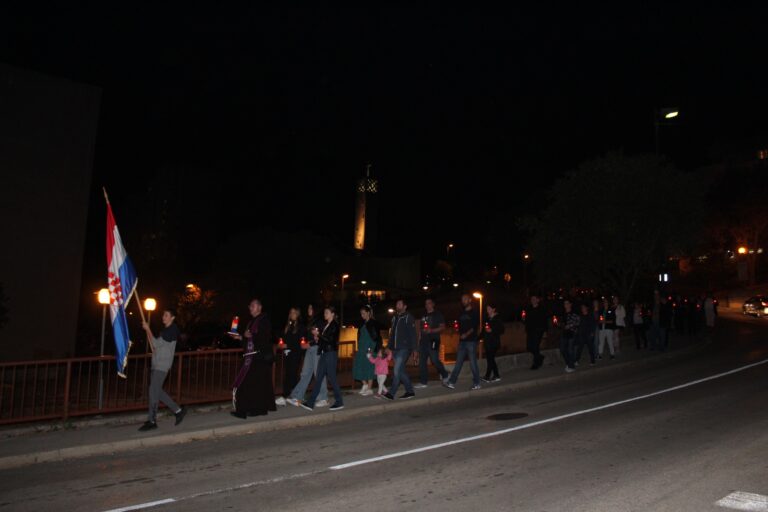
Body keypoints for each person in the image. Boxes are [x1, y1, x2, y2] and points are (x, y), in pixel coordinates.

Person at [138, 309, 186, 431]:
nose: (163, 317)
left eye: (166, 315)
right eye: (163, 315)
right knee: (156, 391)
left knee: (153, 391)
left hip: (162, 365)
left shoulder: (172, 330)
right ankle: (178, 411)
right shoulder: (166, 331)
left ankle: (152, 420)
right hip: (157, 364)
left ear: (172, 318)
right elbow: (157, 346)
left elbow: (154, 343)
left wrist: (148, 329)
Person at [229, 299, 277, 419]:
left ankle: (255, 409)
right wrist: (240, 337)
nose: (250, 307)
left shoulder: (264, 320)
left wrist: (248, 336)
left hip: (259, 358)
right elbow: (249, 339)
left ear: (260, 307)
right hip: (252, 358)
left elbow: (263, 338)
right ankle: (249, 409)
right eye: (250, 305)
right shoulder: (251, 322)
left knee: (255, 385)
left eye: (253, 305)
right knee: (250, 384)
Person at [301, 306, 344, 411]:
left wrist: (319, 334)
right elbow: (323, 341)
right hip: (324, 354)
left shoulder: (334, 325)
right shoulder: (327, 325)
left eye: (327, 312)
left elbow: (330, 340)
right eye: (324, 312)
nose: (325, 314)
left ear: (332, 314)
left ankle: (339, 402)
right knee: (319, 378)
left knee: (332, 379)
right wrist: (317, 338)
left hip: (330, 354)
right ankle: (310, 403)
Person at [285, 304, 329, 407]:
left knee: (318, 373)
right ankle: (297, 397)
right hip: (309, 349)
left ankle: (324, 398)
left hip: (317, 349)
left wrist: (310, 343)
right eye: (308, 308)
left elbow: (321, 337)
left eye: (311, 308)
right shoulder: (310, 321)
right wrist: (305, 343)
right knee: (305, 373)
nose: (309, 310)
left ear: (315, 309)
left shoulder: (319, 321)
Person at [444, 294, 482, 390]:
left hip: (471, 341)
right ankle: (452, 382)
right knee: (458, 362)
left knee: (473, 362)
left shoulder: (474, 312)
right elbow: (460, 326)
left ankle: (477, 383)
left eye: (465, 299)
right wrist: (457, 331)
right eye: (462, 300)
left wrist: (466, 334)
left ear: (470, 300)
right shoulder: (461, 313)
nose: (463, 301)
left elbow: (474, 327)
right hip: (462, 342)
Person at [383, 299, 417, 400]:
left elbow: (413, 334)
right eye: (397, 304)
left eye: (399, 304)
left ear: (405, 306)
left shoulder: (408, 317)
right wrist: (388, 347)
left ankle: (391, 393)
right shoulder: (394, 318)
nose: (397, 305)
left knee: (396, 370)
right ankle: (410, 391)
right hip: (395, 349)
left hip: (405, 348)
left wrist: (415, 350)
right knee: (401, 371)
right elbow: (392, 334)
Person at [415, 298, 450, 388]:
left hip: (434, 340)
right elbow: (420, 330)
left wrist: (431, 330)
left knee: (434, 360)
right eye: (426, 303)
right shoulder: (423, 316)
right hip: (423, 341)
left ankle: (445, 375)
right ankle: (423, 382)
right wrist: (418, 341)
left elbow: (442, 327)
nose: (427, 305)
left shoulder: (437, 314)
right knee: (422, 362)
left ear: (433, 304)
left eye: (429, 303)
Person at [276, 307, 306, 406]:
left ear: (297, 314)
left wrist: (287, 345)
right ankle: (291, 396)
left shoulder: (300, 326)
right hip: (288, 353)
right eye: (291, 312)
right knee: (288, 374)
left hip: (295, 353)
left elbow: (298, 342)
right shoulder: (288, 325)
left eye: (294, 312)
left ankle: (294, 396)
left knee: (292, 374)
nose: (292, 314)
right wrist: (281, 343)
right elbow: (284, 337)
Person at [353, 305, 380, 396]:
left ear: (368, 313)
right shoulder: (363, 324)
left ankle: (369, 388)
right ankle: (364, 385)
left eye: (363, 313)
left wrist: (372, 349)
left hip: (369, 349)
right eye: (361, 313)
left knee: (369, 368)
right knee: (358, 368)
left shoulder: (373, 323)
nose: (362, 315)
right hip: (361, 349)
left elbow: (376, 337)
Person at [480, 303, 504, 382]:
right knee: (490, 359)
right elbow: (483, 331)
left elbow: (502, 330)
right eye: (487, 309)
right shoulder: (487, 319)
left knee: (490, 359)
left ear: (493, 309)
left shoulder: (497, 319)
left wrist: (492, 330)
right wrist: (476, 339)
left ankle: (489, 376)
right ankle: (495, 375)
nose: (487, 310)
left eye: (489, 308)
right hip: (487, 343)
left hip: (494, 342)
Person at [523, 294, 548, 370]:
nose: (532, 300)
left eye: (534, 298)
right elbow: (526, 320)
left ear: (538, 300)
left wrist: (545, 331)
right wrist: (523, 319)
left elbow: (545, 321)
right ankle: (540, 357)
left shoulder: (542, 309)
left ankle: (536, 364)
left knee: (535, 347)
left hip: (538, 330)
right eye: (531, 299)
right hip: (530, 330)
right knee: (529, 347)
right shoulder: (528, 308)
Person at [560, 299, 580, 372]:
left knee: (570, 350)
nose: (566, 305)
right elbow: (562, 323)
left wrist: (569, 326)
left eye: (567, 303)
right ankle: (569, 363)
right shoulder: (563, 313)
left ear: (570, 304)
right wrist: (558, 324)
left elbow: (577, 321)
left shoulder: (574, 312)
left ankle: (571, 366)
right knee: (562, 349)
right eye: (564, 303)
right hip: (564, 333)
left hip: (572, 333)